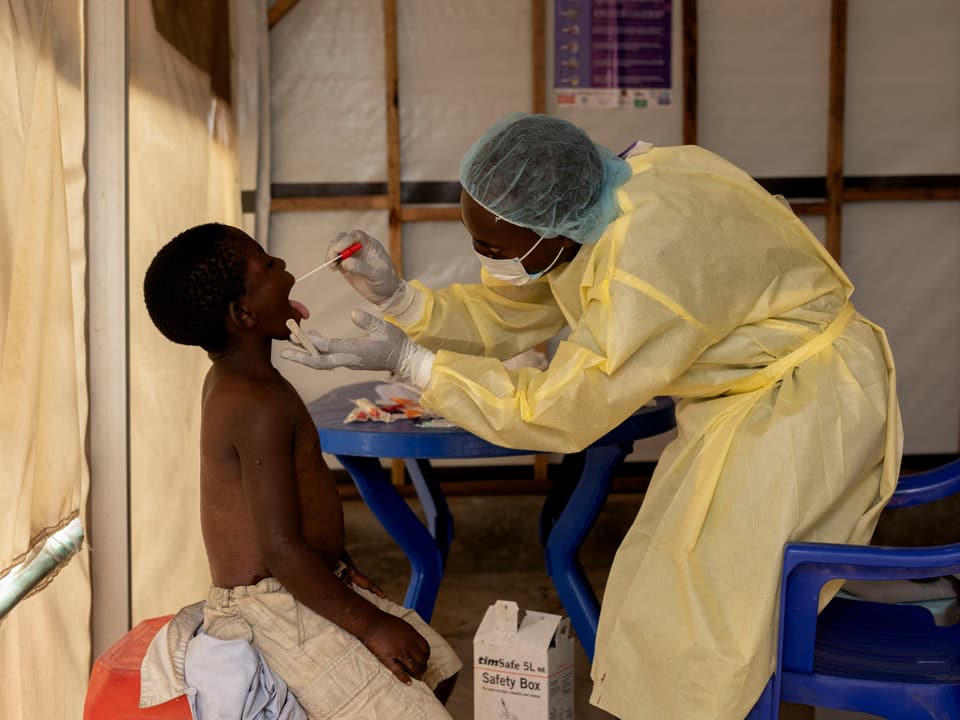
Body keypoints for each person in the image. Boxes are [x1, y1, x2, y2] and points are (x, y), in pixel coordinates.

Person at [282, 113, 903, 720]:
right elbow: (522, 302)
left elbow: (560, 411)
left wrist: (414, 365)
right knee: (674, 594)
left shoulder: (647, 265)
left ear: (552, 230)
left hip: (803, 408)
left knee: (728, 621)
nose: (481, 256)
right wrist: (403, 300)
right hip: (754, 398)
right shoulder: (618, 190)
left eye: (490, 246)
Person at [143, 223, 461, 718]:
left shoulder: (246, 380)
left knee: (434, 663)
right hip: (272, 606)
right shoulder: (254, 402)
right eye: (269, 265)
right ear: (242, 313)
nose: (287, 269)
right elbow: (279, 547)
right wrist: (371, 626)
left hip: (300, 579)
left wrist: (340, 564)